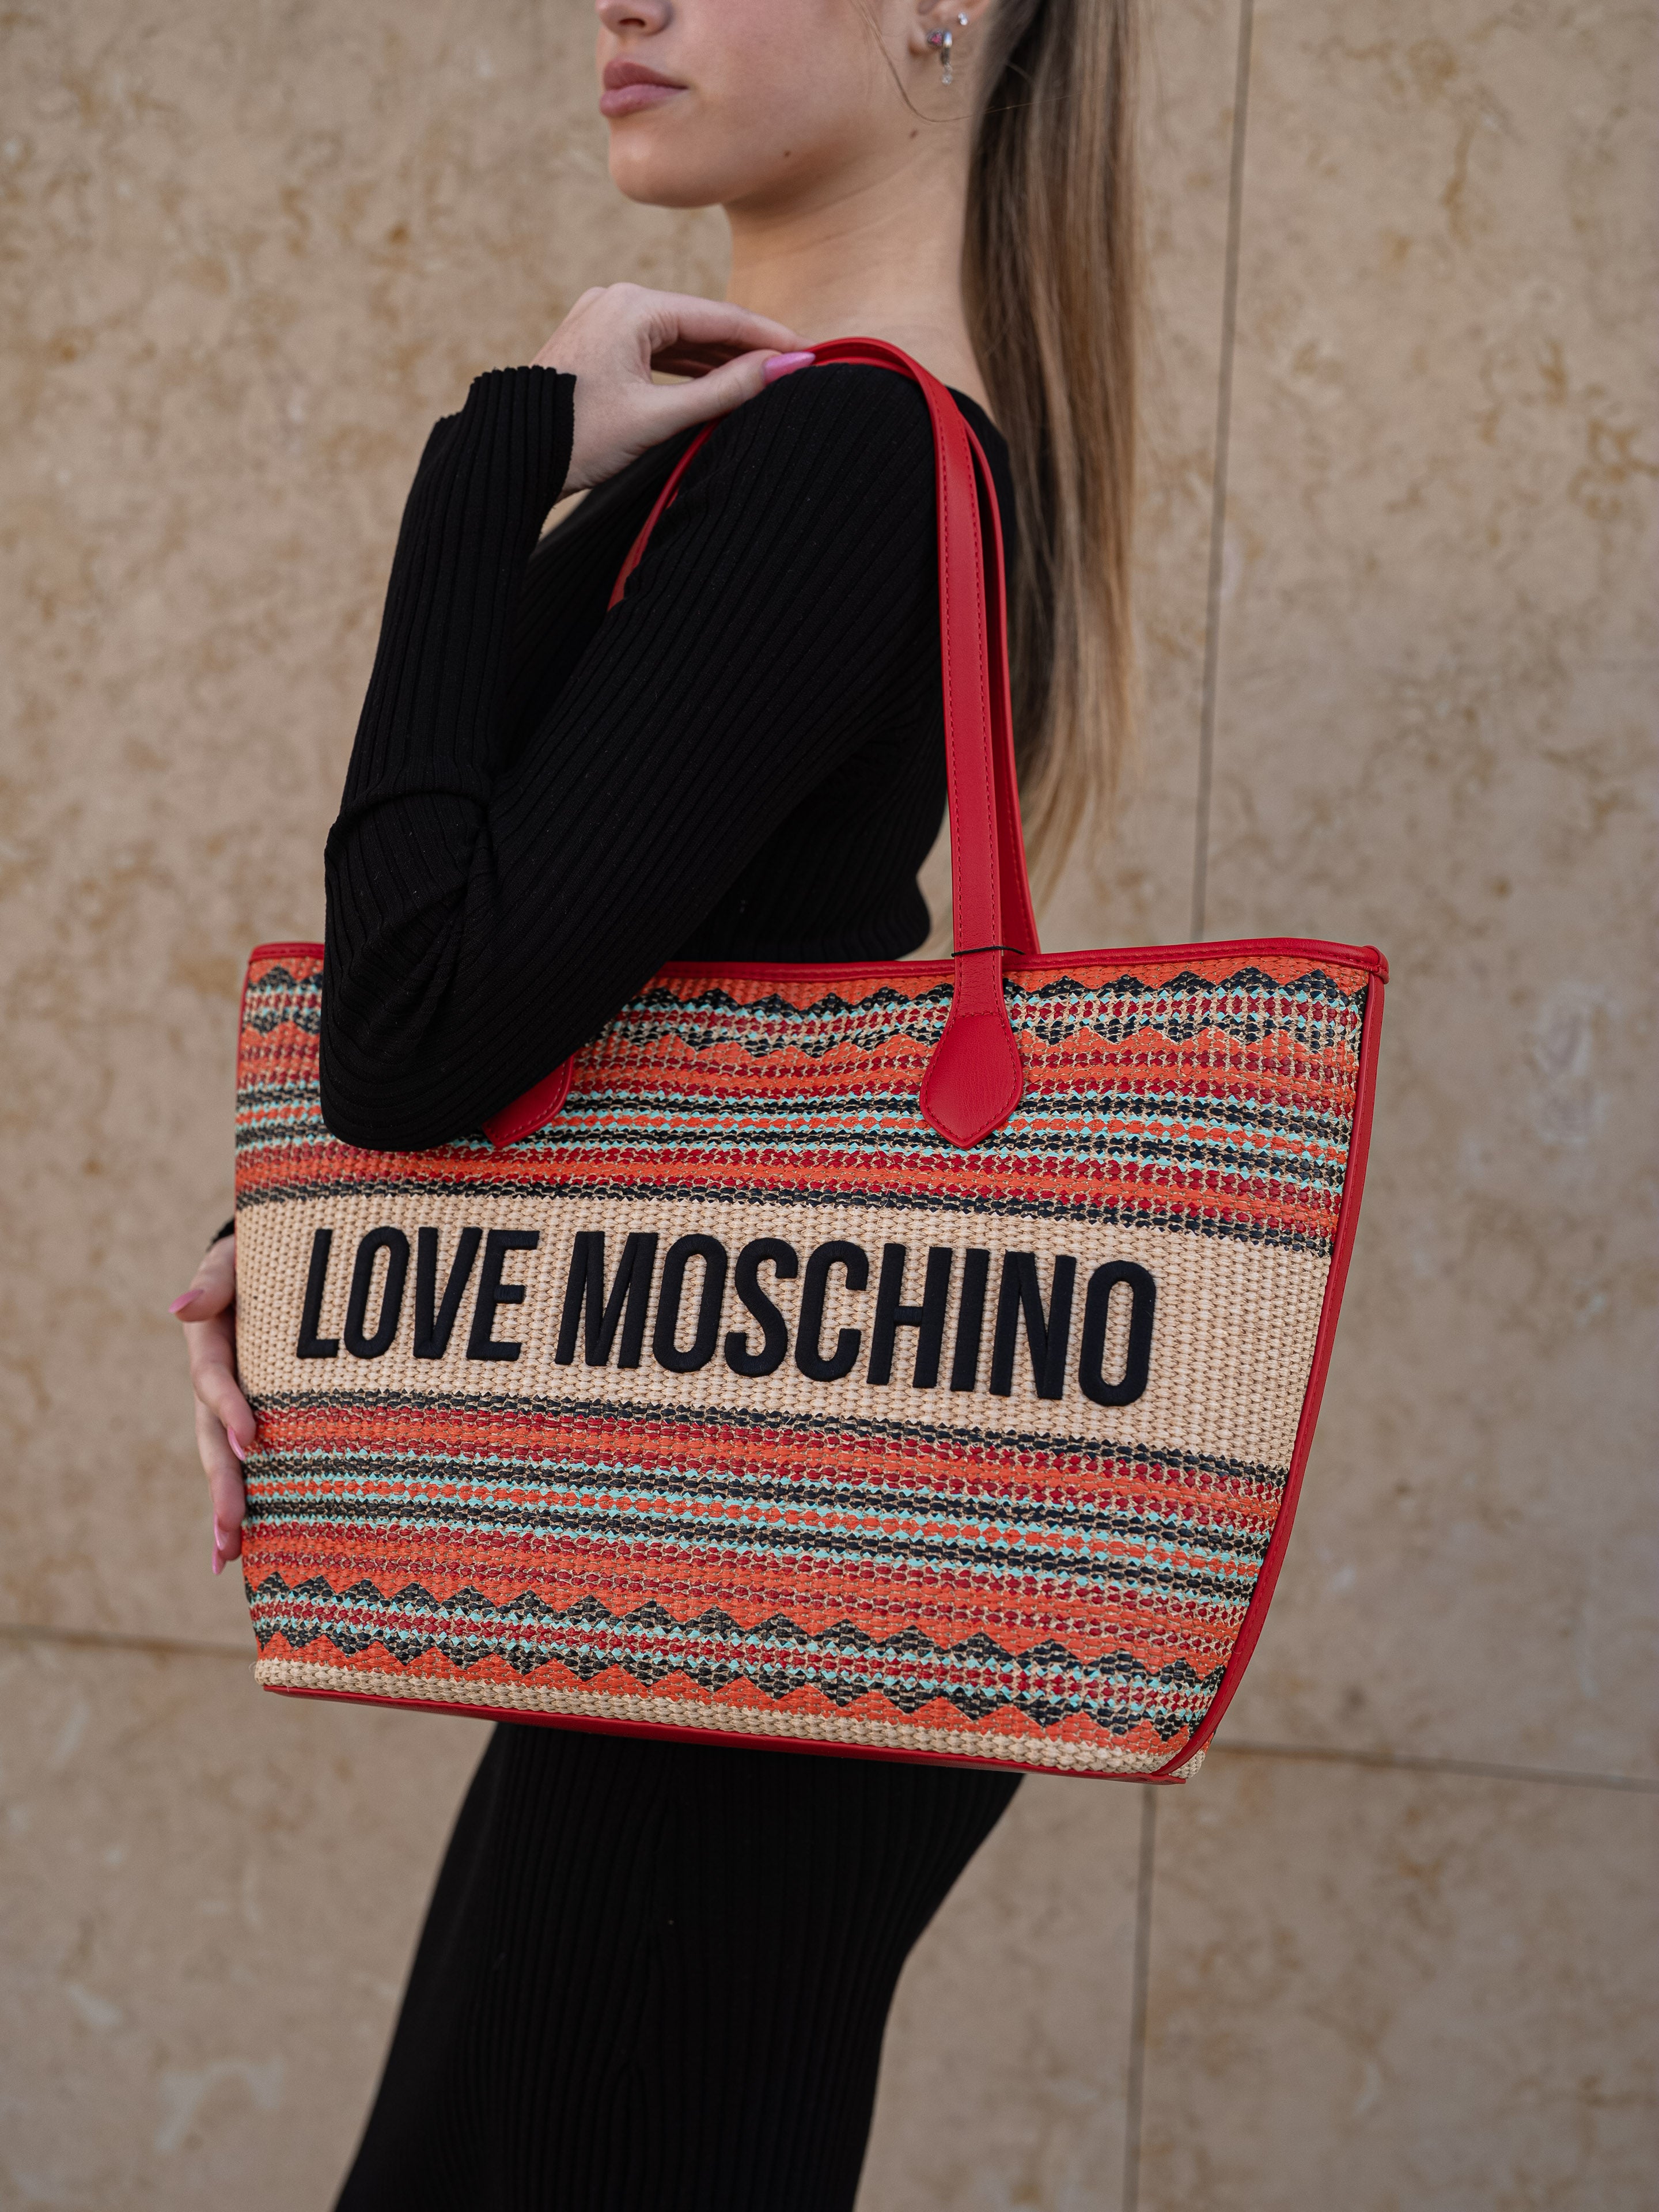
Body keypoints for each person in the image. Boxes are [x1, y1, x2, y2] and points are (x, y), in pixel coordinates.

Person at [171, 1, 1138, 2202]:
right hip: (743, 1576)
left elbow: (413, 1026)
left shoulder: (845, 455)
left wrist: (491, 453)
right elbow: (665, 994)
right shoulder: (845, 448)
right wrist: (311, 1244)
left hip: (749, 1618)